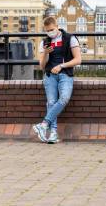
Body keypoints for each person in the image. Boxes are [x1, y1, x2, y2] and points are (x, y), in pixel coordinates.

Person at [32, 16, 82, 144]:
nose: (50, 33)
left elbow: (78, 60)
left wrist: (61, 66)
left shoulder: (70, 38)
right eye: (47, 31)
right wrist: (45, 53)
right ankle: (53, 133)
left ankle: (43, 125)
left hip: (65, 74)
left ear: (57, 26)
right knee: (51, 102)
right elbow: (42, 66)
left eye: (52, 29)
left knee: (64, 98)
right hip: (50, 76)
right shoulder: (44, 42)